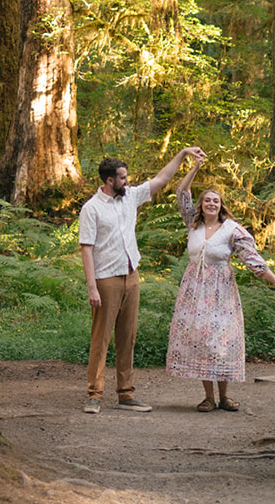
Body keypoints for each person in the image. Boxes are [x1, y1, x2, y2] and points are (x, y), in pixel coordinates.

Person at [78, 145, 206, 413]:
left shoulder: (130, 197)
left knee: (128, 337)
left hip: (131, 276)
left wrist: (182, 155)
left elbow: (161, 179)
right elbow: (86, 248)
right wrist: (92, 287)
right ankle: (95, 395)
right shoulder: (92, 209)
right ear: (109, 180)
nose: (127, 181)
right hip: (106, 279)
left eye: (127, 176)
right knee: (101, 339)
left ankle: (126, 394)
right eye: (122, 177)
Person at [165, 155, 275, 412]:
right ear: (200, 205)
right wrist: (195, 167)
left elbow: (252, 259)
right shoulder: (193, 223)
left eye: (216, 200)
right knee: (201, 340)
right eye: (207, 200)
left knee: (219, 341)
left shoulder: (232, 229)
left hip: (221, 291)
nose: (211, 203)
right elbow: (181, 192)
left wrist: (274, 279)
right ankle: (208, 397)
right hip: (193, 290)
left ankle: (224, 397)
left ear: (221, 205)